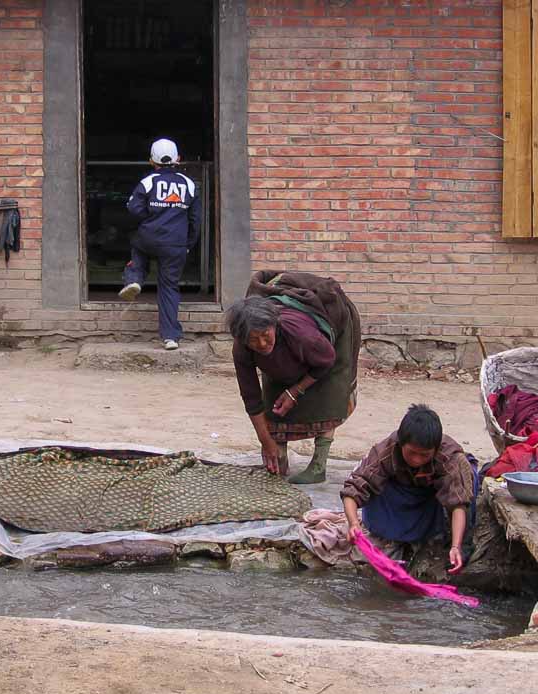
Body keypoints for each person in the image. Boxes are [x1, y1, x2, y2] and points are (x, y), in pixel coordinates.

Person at [226, 271, 360, 485]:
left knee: (327, 393)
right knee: (275, 394)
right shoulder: (242, 348)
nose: (261, 344)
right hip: (293, 350)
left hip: (333, 328)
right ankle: (278, 453)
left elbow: (326, 361)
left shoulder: (301, 335)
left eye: (265, 335)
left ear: (275, 325)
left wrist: (295, 391)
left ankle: (319, 465)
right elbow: (251, 397)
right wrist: (266, 442)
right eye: (254, 340)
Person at [341, 404, 478, 575]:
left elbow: (457, 504)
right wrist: (353, 523)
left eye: (425, 455)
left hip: (432, 497)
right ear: (401, 443)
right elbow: (353, 489)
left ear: (435, 450)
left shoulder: (450, 459)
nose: (417, 460)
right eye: (411, 453)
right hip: (403, 492)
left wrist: (456, 546)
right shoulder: (386, 451)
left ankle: (455, 541)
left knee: (466, 477)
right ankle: (392, 534)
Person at [119, 138, 202, 351]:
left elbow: (133, 208)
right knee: (169, 287)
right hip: (176, 243)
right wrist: (187, 244)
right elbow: (195, 219)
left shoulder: (148, 181)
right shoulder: (189, 184)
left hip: (150, 237)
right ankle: (170, 337)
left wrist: (150, 216)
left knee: (138, 246)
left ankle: (135, 278)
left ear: (151, 161)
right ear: (178, 160)